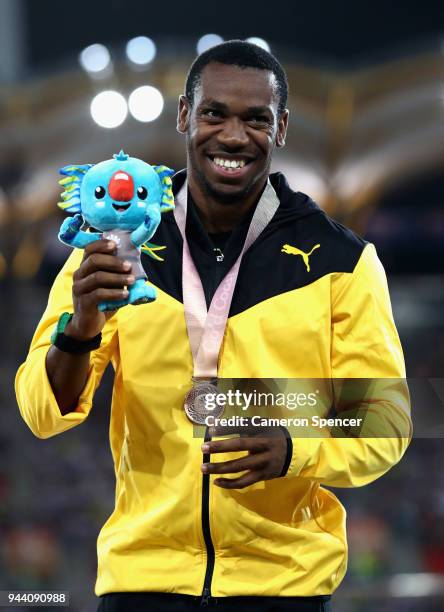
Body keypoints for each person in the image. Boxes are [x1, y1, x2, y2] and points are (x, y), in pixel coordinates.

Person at [15, 40, 411, 611]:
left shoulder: (340, 261)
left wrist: (293, 446)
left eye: (256, 118)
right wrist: (79, 328)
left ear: (281, 128)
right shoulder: (116, 246)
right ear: (184, 115)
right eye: (214, 113)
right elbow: (39, 412)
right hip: (142, 584)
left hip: (282, 588)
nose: (232, 136)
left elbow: (387, 416)